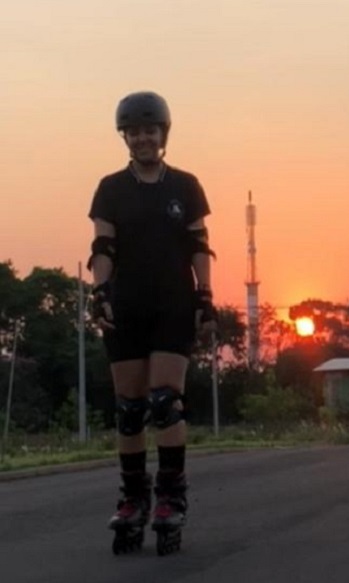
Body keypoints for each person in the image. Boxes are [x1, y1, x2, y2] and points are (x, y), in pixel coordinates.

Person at [87, 91, 217, 554]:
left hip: (172, 305)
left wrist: (205, 295)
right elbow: (103, 248)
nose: (143, 138)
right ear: (125, 136)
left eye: (150, 130)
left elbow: (199, 245)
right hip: (127, 305)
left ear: (164, 133)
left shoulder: (185, 186)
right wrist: (100, 292)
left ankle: (170, 496)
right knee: (129, 410)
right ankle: (132, 499)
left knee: (166, 402)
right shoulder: (110, 188)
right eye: (135, 131)